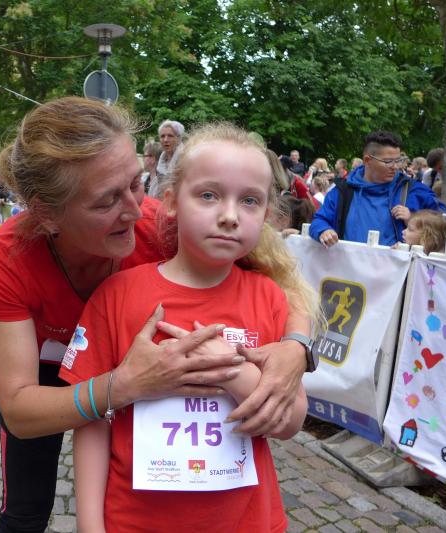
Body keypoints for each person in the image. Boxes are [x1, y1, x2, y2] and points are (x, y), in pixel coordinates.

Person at [0, 97, 317, 533]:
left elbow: (278, 277)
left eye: (136, 183)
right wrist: (123, 385)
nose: (135, 210)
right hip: (52, 373)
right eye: (106, 201)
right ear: (47, 214)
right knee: (25, 510)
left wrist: (295, 347)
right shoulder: (7, 260)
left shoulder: (163, 224)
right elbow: (21, 409)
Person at [62, 123, 311, 533]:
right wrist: (90, 526)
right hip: (135, 521)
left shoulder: (269, 297)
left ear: (267, 215)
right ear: (171, 201)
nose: (229, 216)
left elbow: (290, 423)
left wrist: (229, 370)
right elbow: (93, 421)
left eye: (249, 201)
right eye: (208, 195)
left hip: (247, 522)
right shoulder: (117, 295)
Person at [310, 131, 445, 247]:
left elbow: (444, 223)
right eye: (388, 161)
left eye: (398, 160)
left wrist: (413, 218)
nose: (395, 167)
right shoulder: (343, 190)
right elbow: (318, 220)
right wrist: (323, 231)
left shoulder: (412, 190)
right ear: (367, 160)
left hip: (396, 268)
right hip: (349, 268)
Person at [156, 120, 184, 185]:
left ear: (179, 138)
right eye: (162, 136)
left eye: (170, 136)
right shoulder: (161, 159)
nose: (165, 140)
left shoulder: (185, 159)